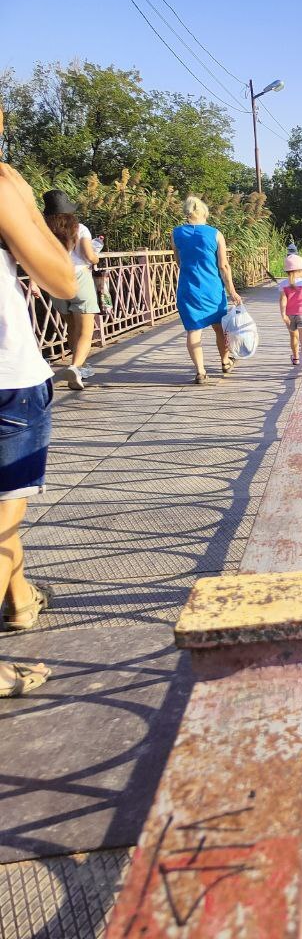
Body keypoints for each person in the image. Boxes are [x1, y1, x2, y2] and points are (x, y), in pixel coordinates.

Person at [0, 101, 77, 695]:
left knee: (9, 501)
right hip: (5, 377)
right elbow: (62, 277)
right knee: (4, 511)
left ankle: (22, 601)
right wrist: (21, 198)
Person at [172, 196, 243, 384]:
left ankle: (200, 372)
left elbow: (178, 261)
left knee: (193, 330)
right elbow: (224, 266)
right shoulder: (215, 234)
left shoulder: (176, 233)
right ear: (204, 212)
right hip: (212, 288)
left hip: (188, 288)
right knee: (220, 328)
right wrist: (232, 291)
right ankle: (225, 361)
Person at [41, 190, 101, 391]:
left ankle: (81, 367)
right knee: (85, 331)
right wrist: (96, 257)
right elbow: (88, 256)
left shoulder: (42, 231)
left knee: (72, 328)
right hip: (79, 278)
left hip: (55, 279)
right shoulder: (80, 228)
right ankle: (75, 367)